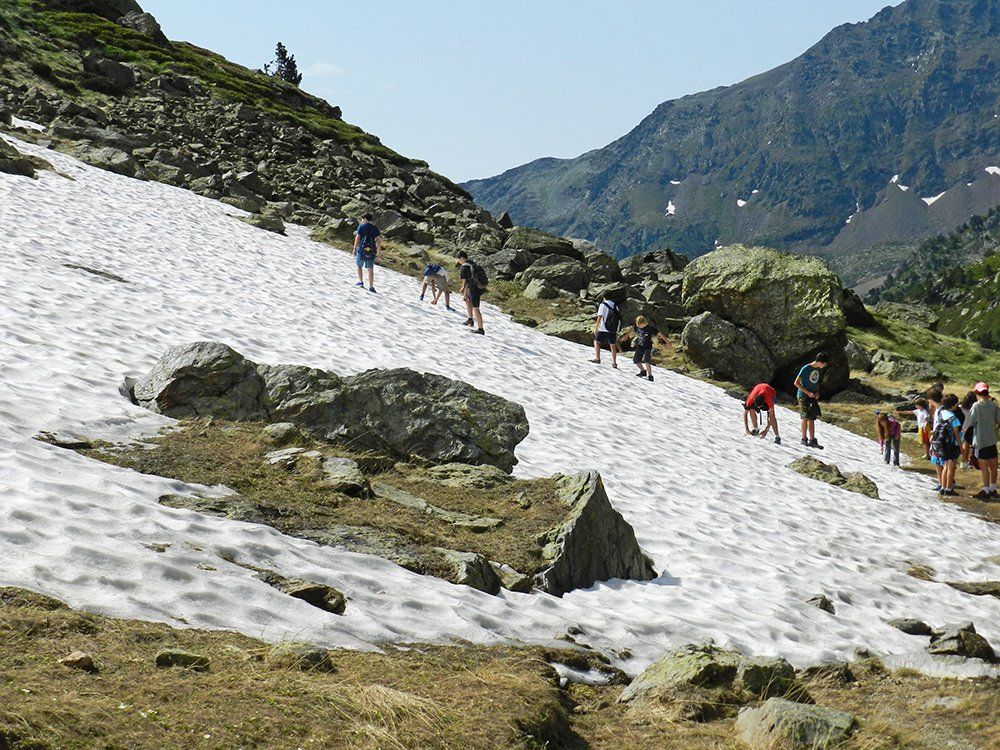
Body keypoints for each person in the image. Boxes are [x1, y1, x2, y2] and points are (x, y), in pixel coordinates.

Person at [962, 382, 1000, 499]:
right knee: (994, 466)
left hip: (980, 440)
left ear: (977, 393)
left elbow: (971, 422)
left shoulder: (976, 406)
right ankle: (993, 488)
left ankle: (985, 489)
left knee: (984, 467)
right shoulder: (993, 405)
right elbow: (998, 420)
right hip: (992, 440)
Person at [794, 353, 828, 449]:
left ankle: (812, 440)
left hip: (812, 396)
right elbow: (796, 383)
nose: (824, 366)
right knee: (805, 417)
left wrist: (816, 392)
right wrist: (807, 392)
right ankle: (804, 438)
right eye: (824, 364)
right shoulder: (806, 368)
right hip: (803, 396)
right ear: (820, 362)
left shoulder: (817, 370)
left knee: (812, 417)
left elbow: (815, 383)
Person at [930, 394, 962, 496]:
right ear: (953, 405)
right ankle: (949, 488)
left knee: (945, 466)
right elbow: (957, 435)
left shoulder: (941, 413)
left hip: (941, 445)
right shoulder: (954, 418)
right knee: (951, 467)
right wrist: (961, 447)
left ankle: (943, 487)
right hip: (951, 445)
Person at [631, 315, 671, 382]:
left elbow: (660, 334)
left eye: (639, 324)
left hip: (647, 347)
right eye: (637, 324)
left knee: (647, 361)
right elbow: (631, 330)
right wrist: (626, 336)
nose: (638, 326)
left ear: (644, 323)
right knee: (636, 360)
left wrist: (667, 342)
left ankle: (650, 375)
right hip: (640, 346)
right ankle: (643, 371)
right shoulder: (637, 327)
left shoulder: (650, 329)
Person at [456, 251, 486, 335]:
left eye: (458, 259)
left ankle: (481, 329)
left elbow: (465, 282)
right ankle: (470, 319)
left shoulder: (464, 267)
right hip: (478, 287)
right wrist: (465, 294)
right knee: (467, 300)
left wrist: (463, 289)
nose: (458, 261)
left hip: (474, 289)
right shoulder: (473, 264)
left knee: (476, 308)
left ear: (462, 258)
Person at [590, 292, 621, 368]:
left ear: (604, 297)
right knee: (612, 345)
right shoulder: (615, 305)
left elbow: (599, 316)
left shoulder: (603, 305)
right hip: (613, 328)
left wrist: (596, 327)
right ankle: (614, 362)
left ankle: (598, 358)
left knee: (596, 341)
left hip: (604, 328)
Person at [353, 213, 382, 292]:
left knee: (359, 266)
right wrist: (379, 251)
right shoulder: (375, 228)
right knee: (370, 269)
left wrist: (354, 247)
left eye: (362, 218)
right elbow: (379, 240)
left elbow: (357, 237)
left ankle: (361, 282)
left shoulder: (361, 226)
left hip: (361, 250)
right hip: (371, 250)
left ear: (365, 218)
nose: (361, 220)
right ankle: (371, 287)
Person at [959, 391, 977, 469]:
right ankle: (964, 462)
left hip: (961, 428)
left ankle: (964, 461)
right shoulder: (974, 407)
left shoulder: (961, 406)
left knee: (963, 446)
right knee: (967, 446)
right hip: (969, 428)